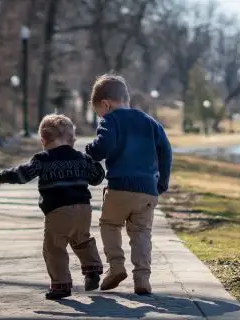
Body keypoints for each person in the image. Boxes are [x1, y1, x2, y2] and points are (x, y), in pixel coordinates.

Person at [0, 114, 105, 300]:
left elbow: (23, 174)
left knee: (54, 247)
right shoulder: (81, 158)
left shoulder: (42, 159)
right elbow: (97, 178)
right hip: (83, 209)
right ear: (72, 139)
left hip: (58, 211)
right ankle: (92, 270)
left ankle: (61, 285)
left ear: (43, 140)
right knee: (82, 239)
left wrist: (3, 176)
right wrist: (93, 162)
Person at [85, 74, 172, 295]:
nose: (100, 116)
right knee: (142, 232)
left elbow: (103, 146)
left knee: (110, 224)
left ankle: (116, 267)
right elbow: (166, 151)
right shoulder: (151, 122)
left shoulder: (110, 120)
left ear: (106, 104)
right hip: (147, 190)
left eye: (99, 113)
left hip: (119, 187)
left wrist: (90, 150)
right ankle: (142, 278)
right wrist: (161, 183)